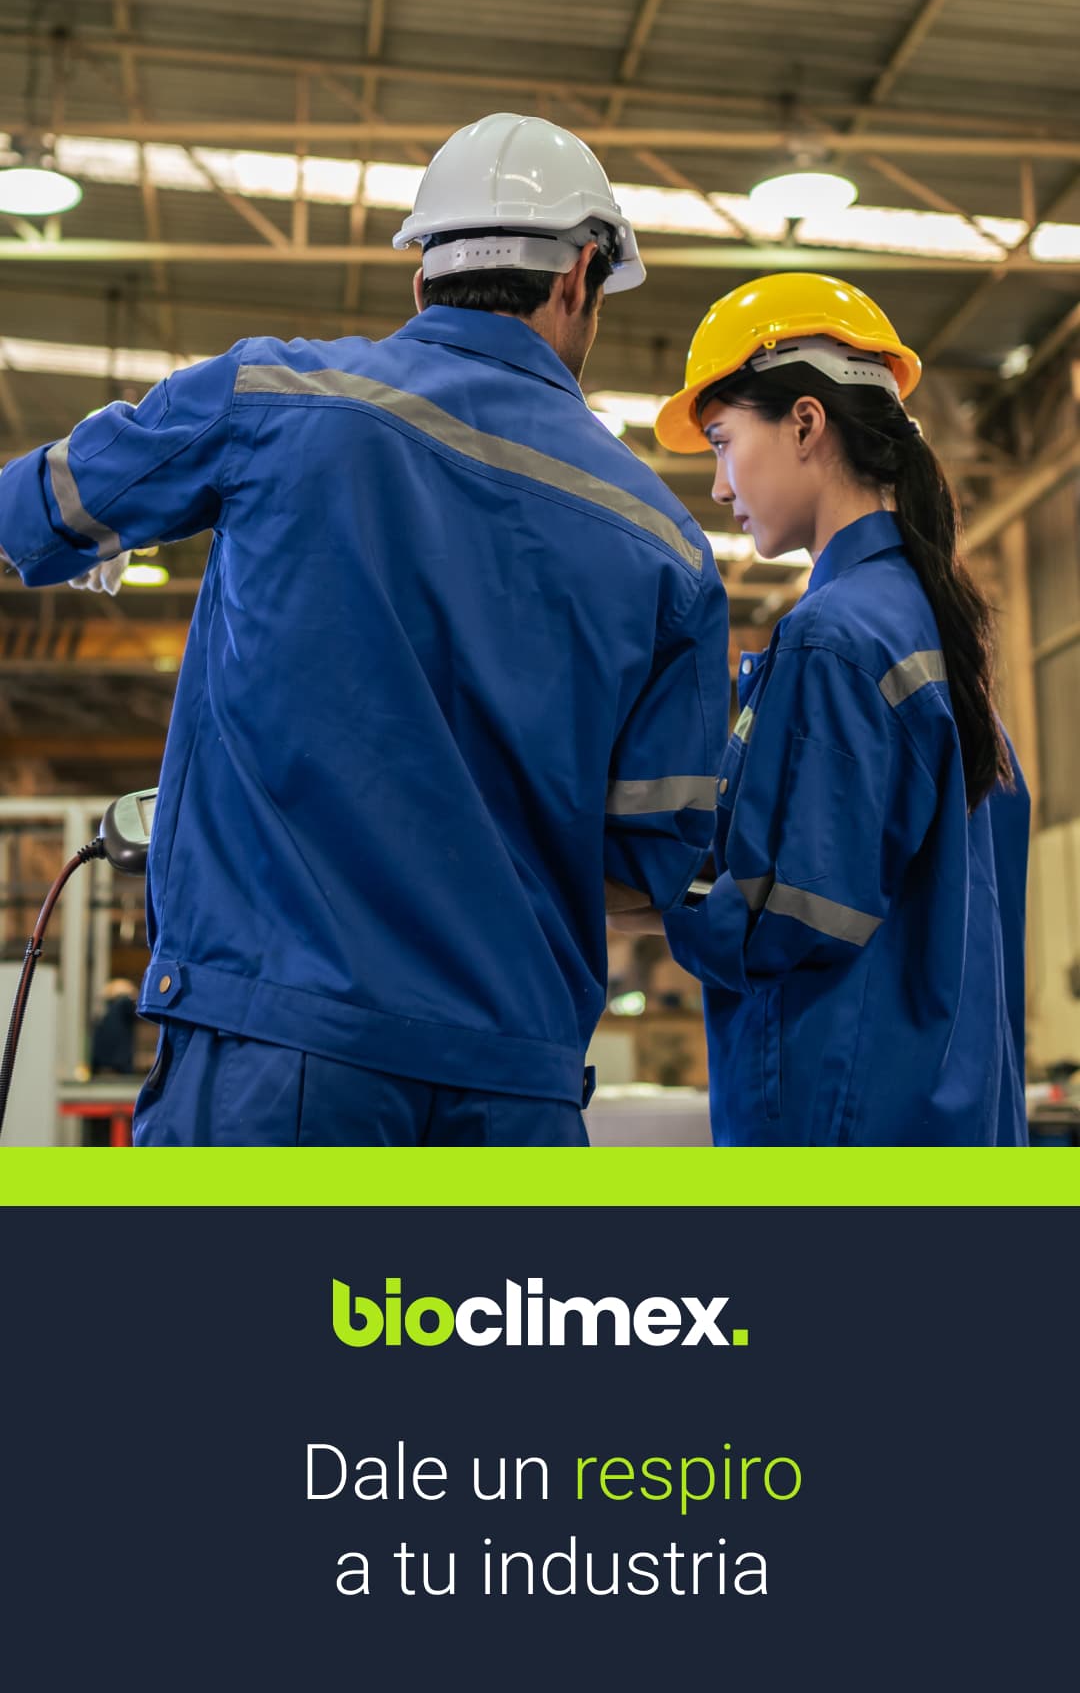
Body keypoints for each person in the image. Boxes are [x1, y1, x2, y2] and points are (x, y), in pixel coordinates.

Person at [0, 113, 729, 1147]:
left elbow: (36, 513)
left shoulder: (276, 396)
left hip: (275, 1057)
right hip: (515, 1090)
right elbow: (649, 869)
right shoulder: (667, 543)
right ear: (581, 276)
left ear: (420, 276)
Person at [615, 272, 1028, 1146]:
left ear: (805, 423)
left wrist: (634, 885)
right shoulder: (934, 633)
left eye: (723, 442)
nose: (721, 488)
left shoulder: (835, 637)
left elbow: (788, 918)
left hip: (838, 1125)